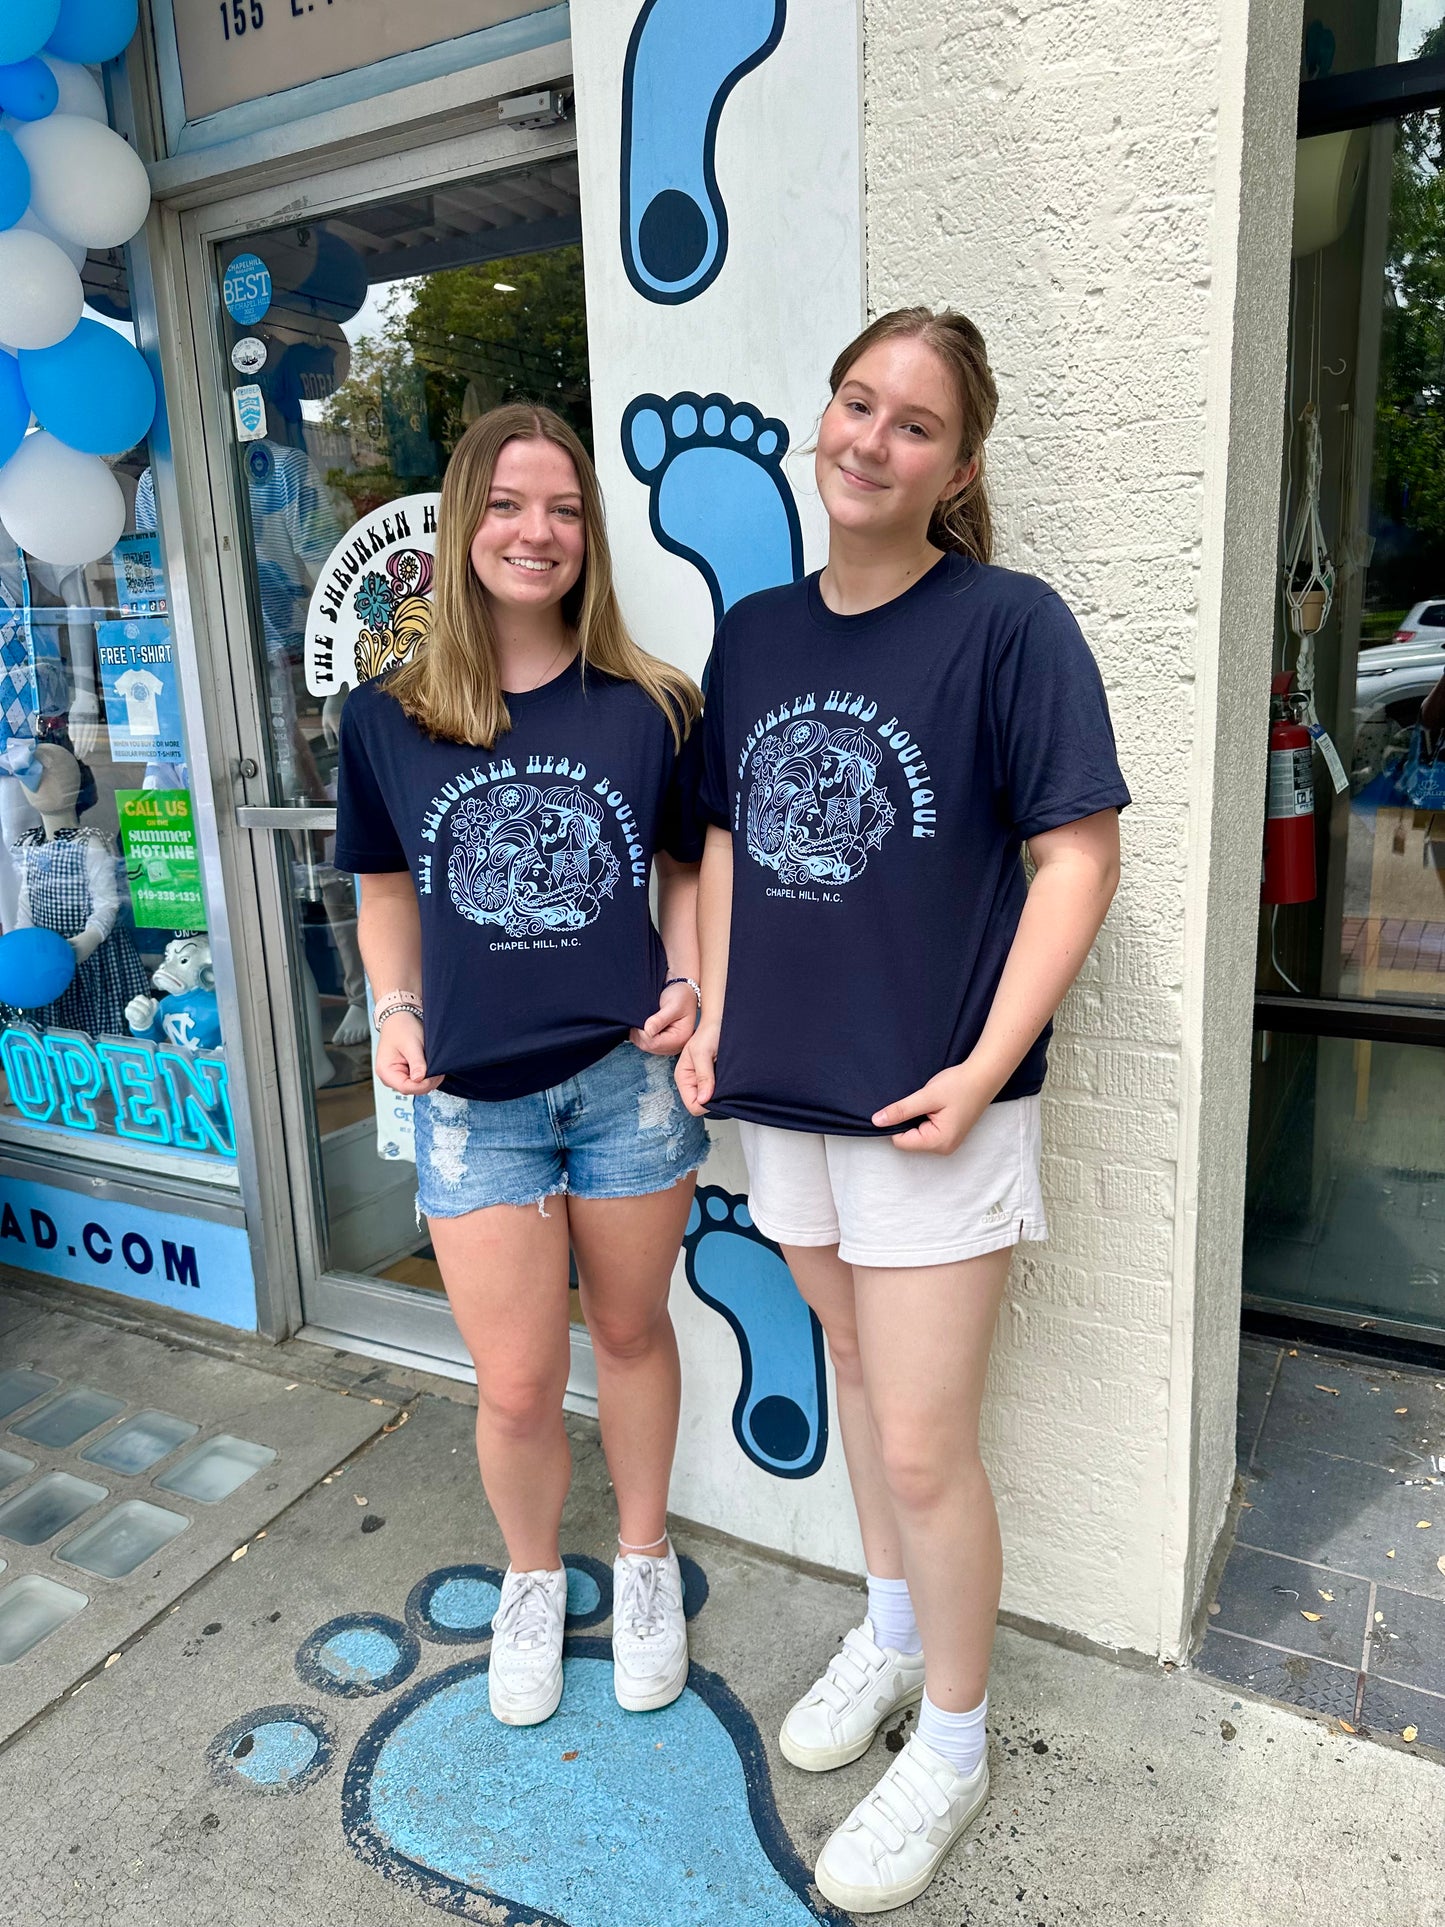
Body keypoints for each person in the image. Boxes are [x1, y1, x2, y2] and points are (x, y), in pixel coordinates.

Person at [678, 309, 1129, 1912]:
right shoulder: (755, 633)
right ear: (824, 415)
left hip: (936, 1099)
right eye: (855, 402)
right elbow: (722, 838)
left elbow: (1077, 855)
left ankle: (951, 1741)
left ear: (959, 465)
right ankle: (886, 1631)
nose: (870, 440)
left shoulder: (1007, 627)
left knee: (928, 1446)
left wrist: (986, 1063)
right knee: (856, 1376)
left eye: (914, 424)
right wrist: (712, 1011)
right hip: (784, 1092)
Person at [336, 404, 708, 1728]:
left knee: (630, 1331)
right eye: (504, 504)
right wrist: (393, 1006)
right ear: (461, 524)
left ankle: (646, 1560)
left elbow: (689, 868)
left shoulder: (651, 707)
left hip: (625, 1085)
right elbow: (384, 887)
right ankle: (534, 1577)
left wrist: (688, 981)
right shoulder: (386, 718)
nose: (534, 531)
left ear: (589, 534)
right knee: (513, 1380)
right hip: (469, 1102)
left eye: (562, 508)